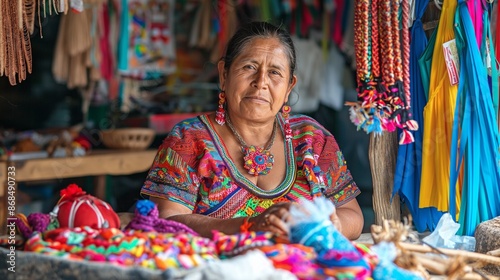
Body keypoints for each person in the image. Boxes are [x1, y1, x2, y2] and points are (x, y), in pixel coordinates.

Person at [140, 21, 364, 240]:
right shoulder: (189, 139)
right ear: (224, 75)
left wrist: (331, 226)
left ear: (289, 87)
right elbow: (165, 222)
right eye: (249, 67)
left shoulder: (312, 138)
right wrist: (249, 226)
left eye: (275, 72)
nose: (261, 82)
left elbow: (352, 215)